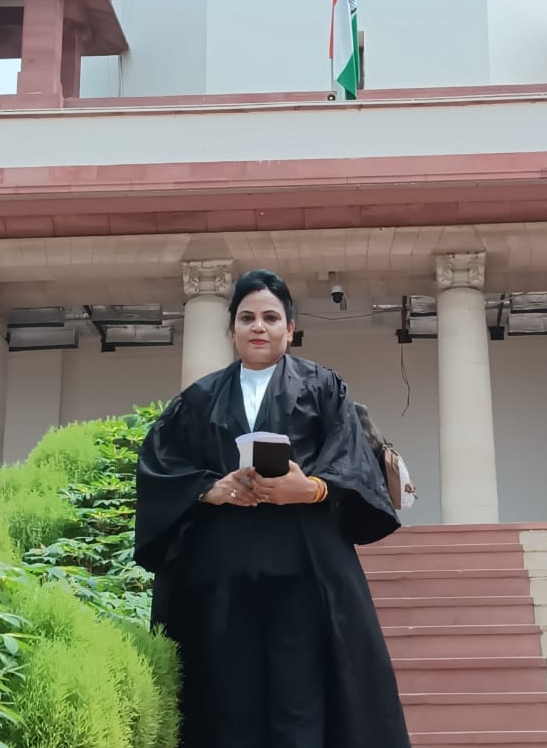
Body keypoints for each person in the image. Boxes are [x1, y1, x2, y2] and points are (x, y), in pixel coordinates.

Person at [135, 268, 412, 748]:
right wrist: (212, 489)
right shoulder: (198, 400)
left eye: (270, 317)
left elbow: (351, 460)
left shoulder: (324, 387)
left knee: (300, 702)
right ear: (232, 330)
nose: (257, 327)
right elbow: (161, 466)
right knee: (228, 700)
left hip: (303, 572)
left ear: (290, 327)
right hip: (221, 577)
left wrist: (312, 489)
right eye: (246, 318)